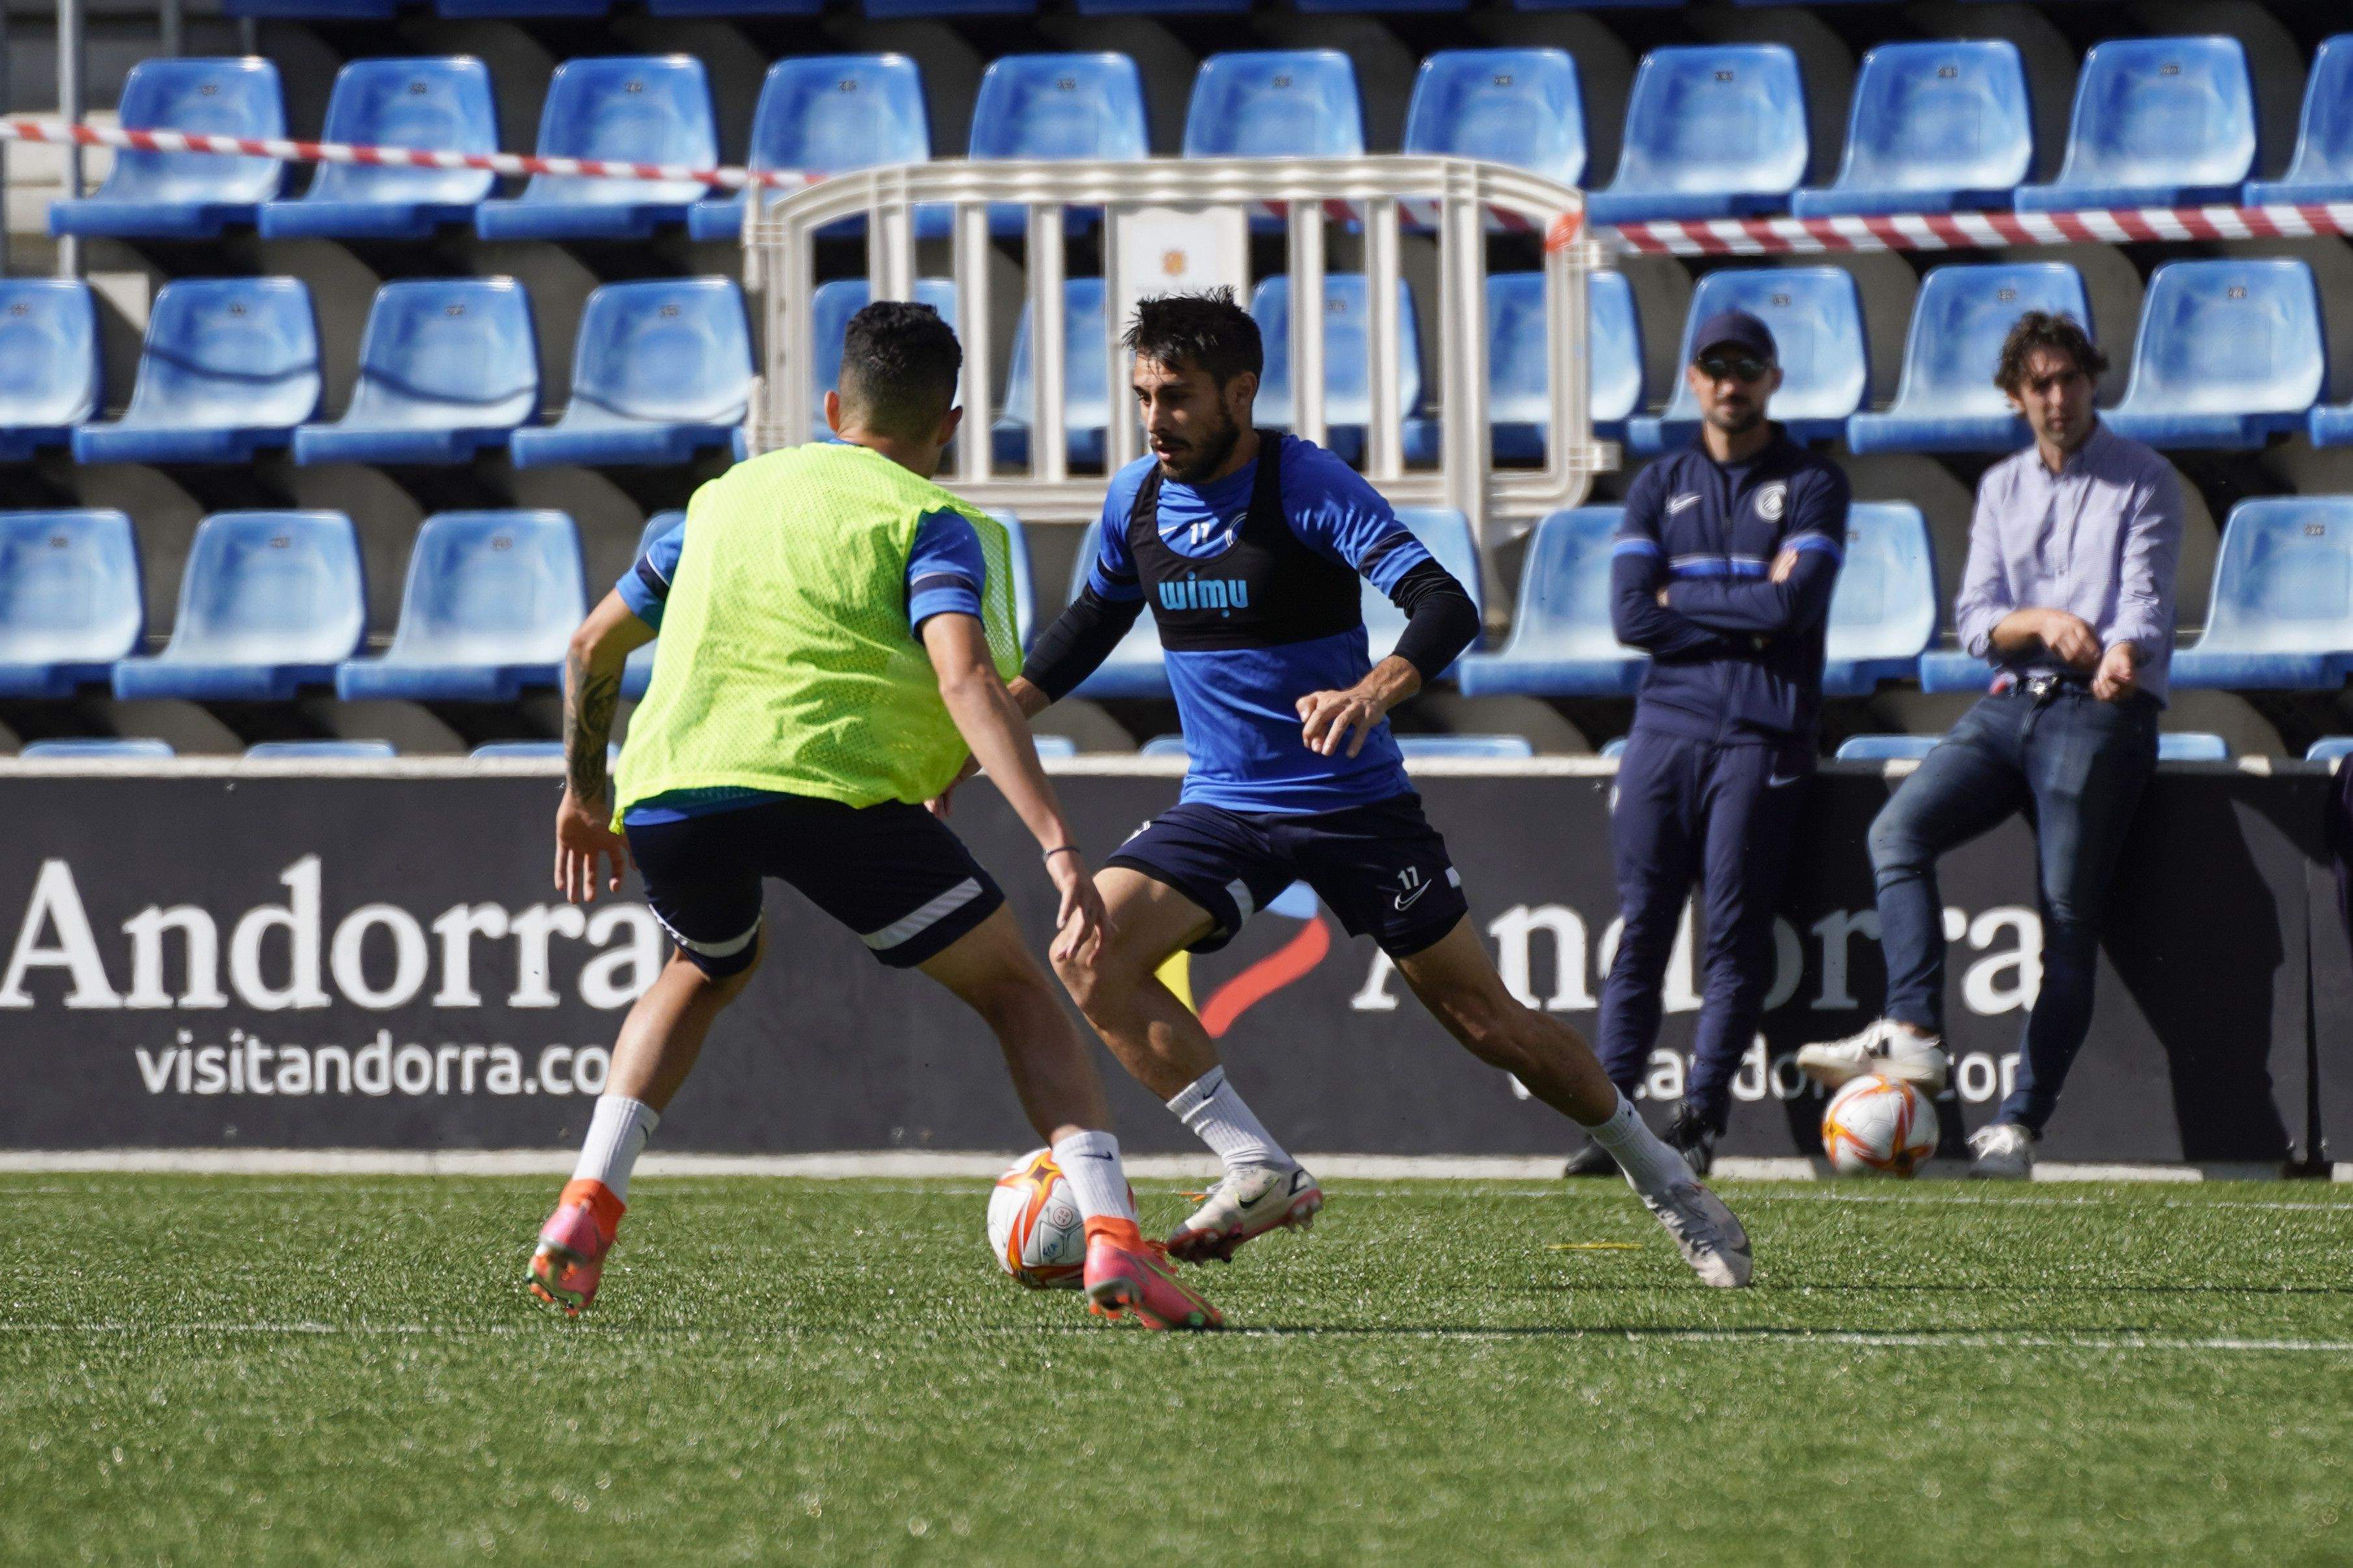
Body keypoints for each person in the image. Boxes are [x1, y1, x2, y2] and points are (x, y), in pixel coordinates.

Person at [983, 288, 1751, 1287]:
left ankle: (1669, 1184)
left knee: (1487, 1022)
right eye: (1142, 396)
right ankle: (1258, 1164)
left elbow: (1443, 602)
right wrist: (994, 720)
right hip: (1223, 805)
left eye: (1176, 397)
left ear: (1239, 393)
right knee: (1088, 954)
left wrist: (1374, 689)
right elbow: (1089, 624)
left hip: (1353, 807)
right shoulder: (1135, 499)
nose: (1154, 419)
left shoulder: (1304, 481)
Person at [528, 301, 1221, 1330]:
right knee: (1017, 991)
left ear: (829, 408)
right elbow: (965, 677)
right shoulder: (926, 520)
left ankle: (586, 1201)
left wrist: (586, 793)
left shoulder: (720, 501)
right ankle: (1115, 1236)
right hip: (830, 787)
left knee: (705, 965)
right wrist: (1058, 843)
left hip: (674, 787)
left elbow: (591, 646)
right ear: (948, 425)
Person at [1797, 310, 2182, 1178]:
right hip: (2011, 702)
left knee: (2066, 918)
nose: (2057, 397)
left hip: (2099, 712)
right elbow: (1975, 621)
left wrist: (2122, 652)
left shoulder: (2145, 476)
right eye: (2039, 384)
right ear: (2015, 397)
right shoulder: (2003, 486)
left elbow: (2146, 603)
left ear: (2092, 380)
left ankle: (2019, 1124)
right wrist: (2041, 620)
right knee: (1896, 832)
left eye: (2069, 379)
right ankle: (1913, 1030)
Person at [1564, 310, 1850, 1180]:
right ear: (1693, 378)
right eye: (1715, 368)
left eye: (1747, 368)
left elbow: (1791, 608)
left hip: (1763, 732)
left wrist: (1682, 604)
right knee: (1642, 930)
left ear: (1772, 379)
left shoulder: (1813, 482)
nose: (1731, 384)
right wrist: (1744, 616)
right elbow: (1630, 616)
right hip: (1664, 730)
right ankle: (1611, 1121)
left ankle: (1699, 1119)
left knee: (1732, 933)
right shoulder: (1658, 484)